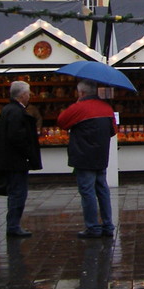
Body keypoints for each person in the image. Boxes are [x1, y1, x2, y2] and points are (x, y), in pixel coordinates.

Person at [57, 80, 117, 238]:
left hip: (83, 156)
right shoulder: (107, 108)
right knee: (102, 190)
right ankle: (108, 225)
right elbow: (113, 131)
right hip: (101, 155)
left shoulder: (79, 108)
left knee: (87, 191)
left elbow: (62, 122)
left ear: (81, 93)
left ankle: (92, 227)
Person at [0, 80, 43, 236]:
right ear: (22, 95)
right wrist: (29, 153)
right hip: (16, 161)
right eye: (28, 93)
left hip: (9, 160)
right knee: (18, 193)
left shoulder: (7, 110)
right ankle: (13, 226)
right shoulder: (17, 112)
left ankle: (13, 225)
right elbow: (17, 137)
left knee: (16, 192)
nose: (29, 96)